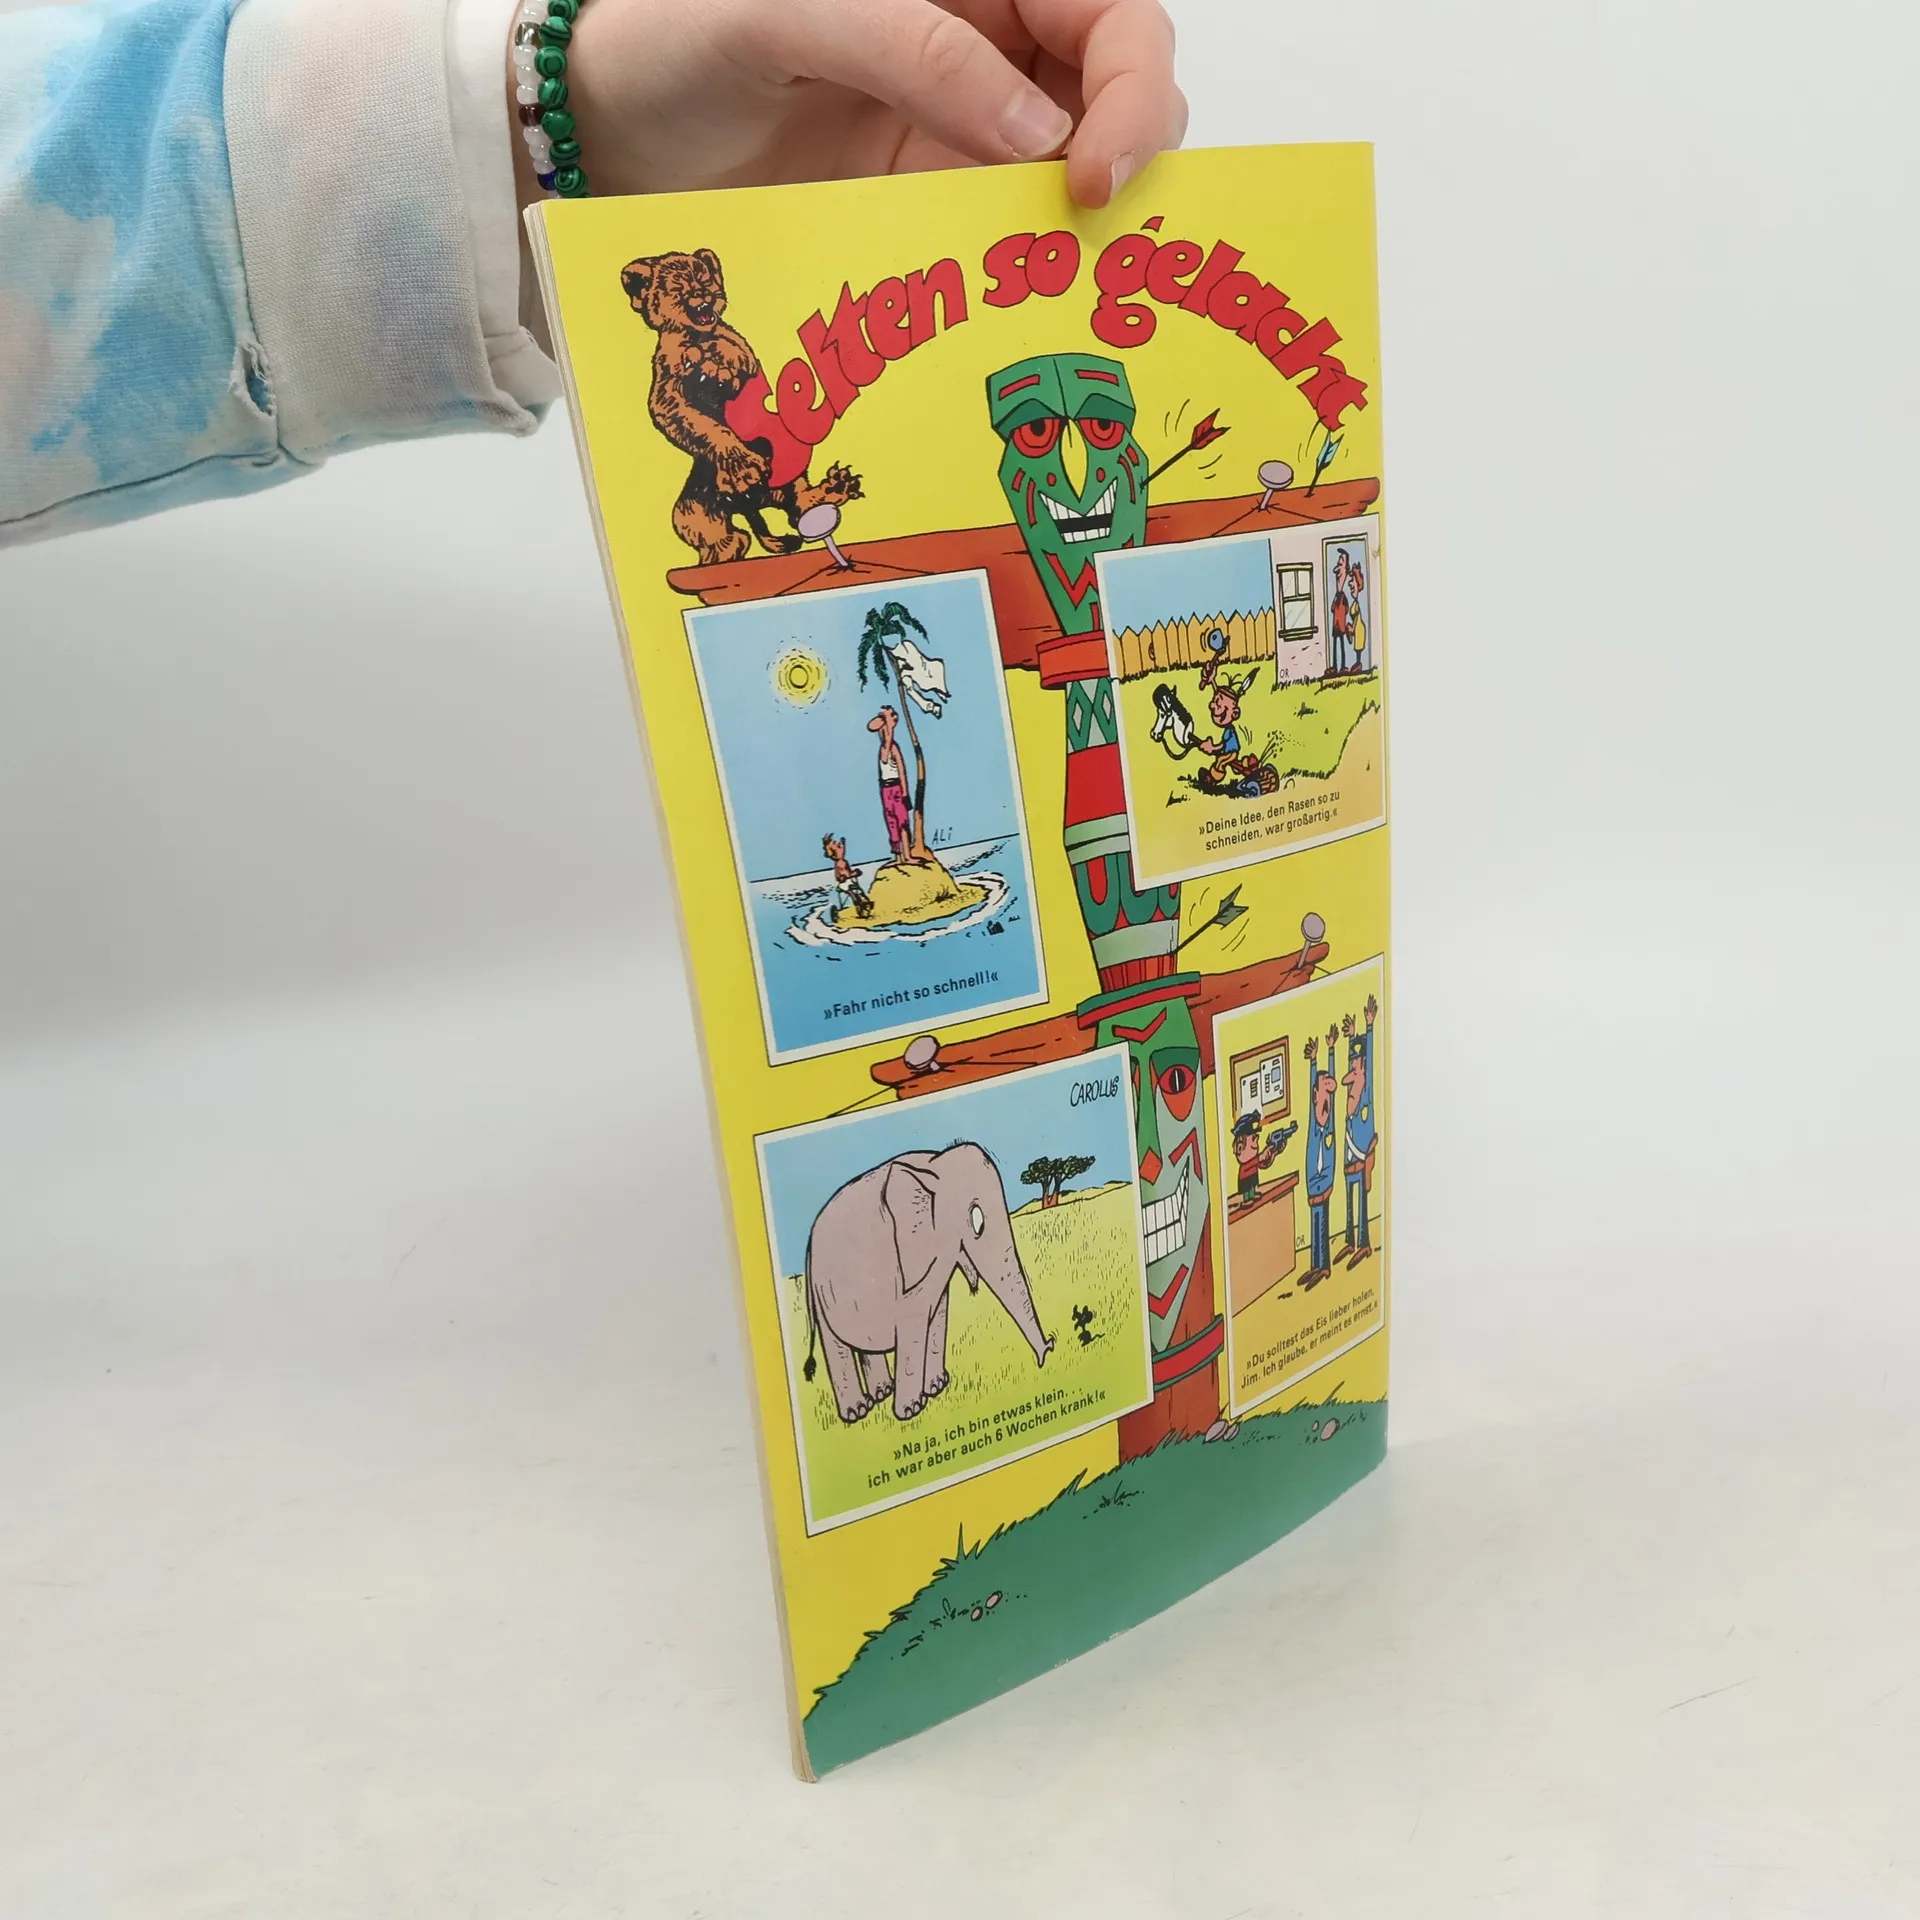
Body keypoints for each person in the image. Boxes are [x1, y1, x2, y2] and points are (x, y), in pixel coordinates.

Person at [1, 0, 1186, 545]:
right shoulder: (680, 360)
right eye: (683, 297)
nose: (700, 306)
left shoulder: (721, 321)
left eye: (699, 292)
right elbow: (684, 414)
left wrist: (568, 133)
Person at [1301, 1030, 1337, 1287]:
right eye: (1322, 1090)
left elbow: (1331, 1079)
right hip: (1312, 1178)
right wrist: (1313, 1060)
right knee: (1315, 1219)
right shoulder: (1314, 1120)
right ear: (1315, 1094)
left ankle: (1324, 1266)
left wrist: (1331, 1050)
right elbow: (1313, 1086)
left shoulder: (1329, 1119)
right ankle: (1315, 1264)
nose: (1325, 1096)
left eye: (1328, 1092)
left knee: (1322, 1220)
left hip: (1326, 1178)